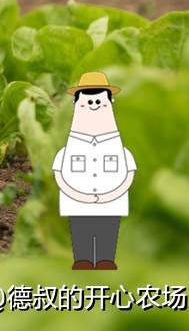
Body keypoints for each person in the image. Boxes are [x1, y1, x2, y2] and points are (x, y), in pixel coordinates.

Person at [52, 71, 136, 271]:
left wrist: (113, 193)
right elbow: (60, 175)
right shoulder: (67, 151)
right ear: (77, 105)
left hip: (111, 201)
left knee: (108, 227)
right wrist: (78, 194)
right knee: (81, 228)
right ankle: (83, 259)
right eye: (87, 101)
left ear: (109, 104)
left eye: (99, 101)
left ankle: (106, 258)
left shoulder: (120, 149)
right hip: (79, 202)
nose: (94, 105)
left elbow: (128, 174)